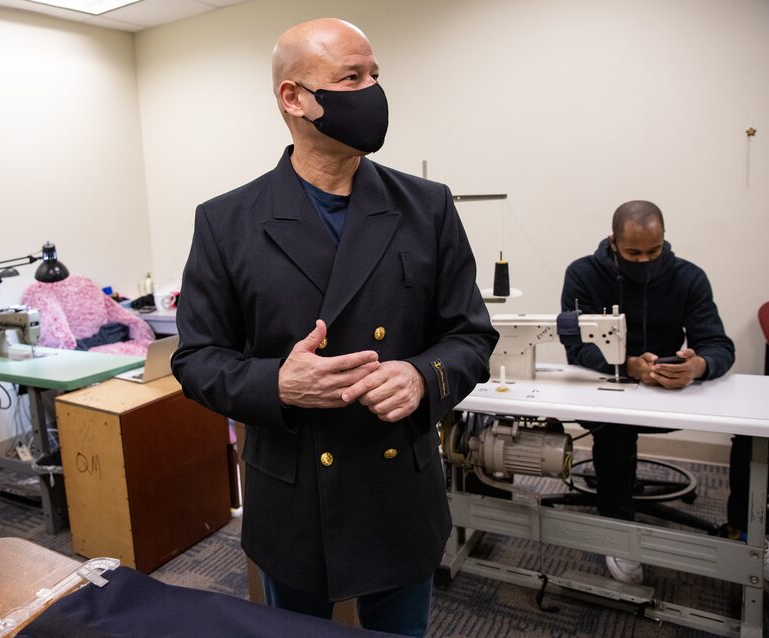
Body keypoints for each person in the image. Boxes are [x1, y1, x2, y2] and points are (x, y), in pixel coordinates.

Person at [171, 18, 497, 636]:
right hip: (293, 495)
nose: (373, 92)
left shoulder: (426, 207)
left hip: (398, 486)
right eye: (352, 77)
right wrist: (277, 385)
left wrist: (423, 377)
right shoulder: (226, 221)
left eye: (375, 75)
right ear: (293, 98)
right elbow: (196, 359)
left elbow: (470, 335)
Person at [561, 200, 735, 585]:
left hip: (667, 397)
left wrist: (697, 366)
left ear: (664, 240)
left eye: (654, 251)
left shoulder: (689, 278)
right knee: (615, 425)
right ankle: (619, 531)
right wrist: (628, 364)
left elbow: (719, 346)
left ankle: (743, 533)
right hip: (608, 389)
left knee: (750, 432)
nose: (645, 261)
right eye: (633, 253)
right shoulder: (583, 275)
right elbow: (577, 347)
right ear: (613, 242)